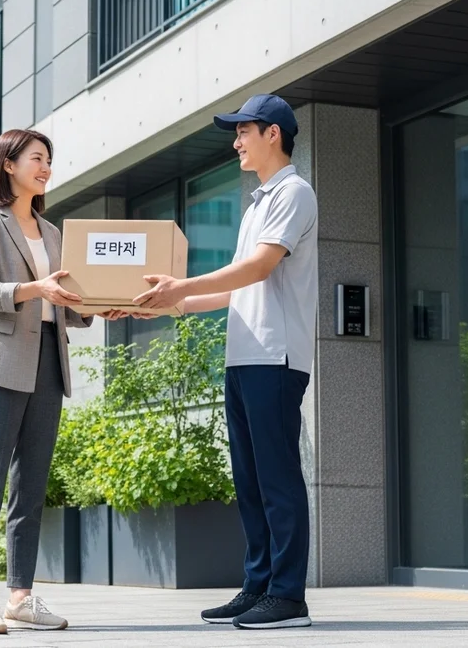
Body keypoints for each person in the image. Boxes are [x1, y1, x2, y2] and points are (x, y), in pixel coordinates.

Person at [133, 94, 318, 630]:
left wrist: (181, 285)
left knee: (278, 480)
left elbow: (258, 268)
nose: (236, 141)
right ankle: (258, 586)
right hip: (245, 356)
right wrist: (174, 303)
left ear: (273, 135)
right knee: (251, 482)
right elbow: (238, 286)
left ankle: (288, 597)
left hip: (275, 356)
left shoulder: (294, 192)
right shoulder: (258, 201)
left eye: (244, 131)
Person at [0, 128, 123, 635]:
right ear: (9, 164)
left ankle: (21, 596)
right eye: (36, 157)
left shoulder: (52, 234)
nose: (46, 166)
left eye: (49, 158)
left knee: (30, 487)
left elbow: (60, 304)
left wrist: (96, 307)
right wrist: (37, 287)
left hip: (49, 362)